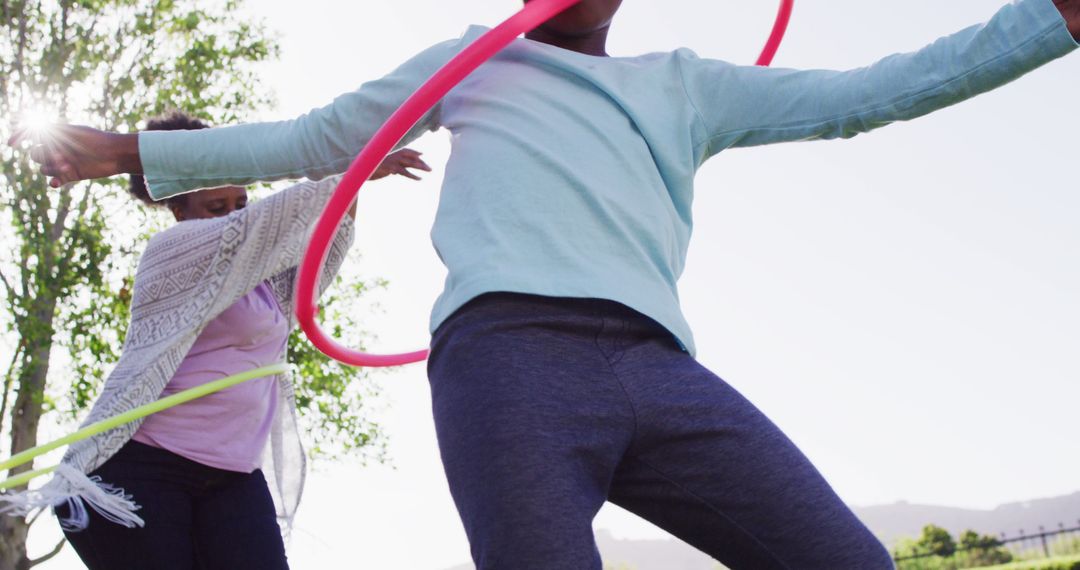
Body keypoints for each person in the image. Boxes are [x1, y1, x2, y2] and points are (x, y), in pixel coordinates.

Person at [11, 1, 1080, 568]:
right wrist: (131, 156)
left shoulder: (686, 86)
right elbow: (314, 135)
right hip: (506, 365)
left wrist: (1046, 22)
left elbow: (869, 91)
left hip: (663, 374)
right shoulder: (472, 62)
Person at [33, 111, 429, 570]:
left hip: (231, 476)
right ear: (179, 209)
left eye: (239, 204)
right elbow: (261, 227)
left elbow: (326, 242)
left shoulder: (268, 286)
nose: (233, 217)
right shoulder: (172, 252)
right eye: (215, 209)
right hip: (138, 467)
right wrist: (353, 163)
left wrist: (355, 174)